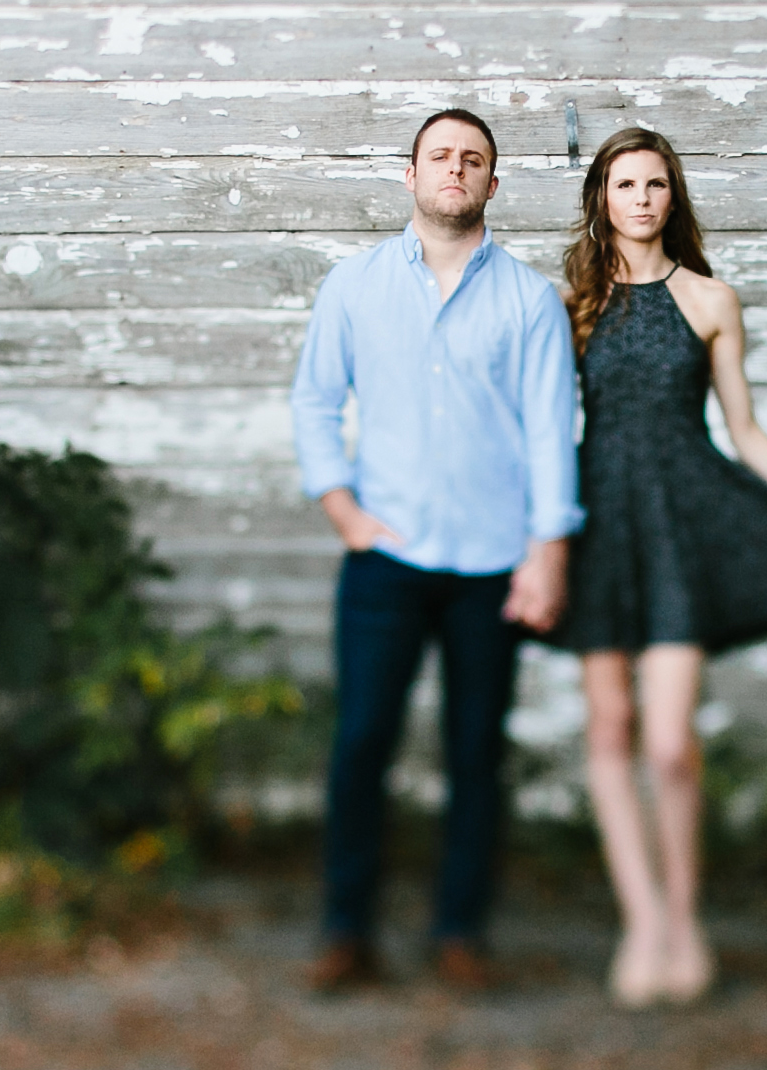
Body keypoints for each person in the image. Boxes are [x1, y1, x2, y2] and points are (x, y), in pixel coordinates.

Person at [556, 126, 767, 1006]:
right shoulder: (571, 301)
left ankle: (685, 915)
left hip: (682, 520)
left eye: (656, 182)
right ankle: (644, 923)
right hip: (598, 523)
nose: (642, 197)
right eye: (625, 183)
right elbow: (540, 425)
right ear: (601, 198)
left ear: (674, 195)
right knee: (610, 726)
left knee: (667, 743)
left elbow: (744, 430)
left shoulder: (711, 299)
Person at [287, 106, 579, 995]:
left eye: (473, 159)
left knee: (474, 755)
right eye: (440, 155)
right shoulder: (354, 285)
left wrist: (548, 552)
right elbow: (313, 402)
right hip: (386, 558)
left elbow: (550, 433)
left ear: (494, 184)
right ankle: (347, 930)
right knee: (362, 743)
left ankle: (460, 932)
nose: (455, 168)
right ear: (409, 175)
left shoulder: (530, 299)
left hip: (493, 564)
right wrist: (343, 511)